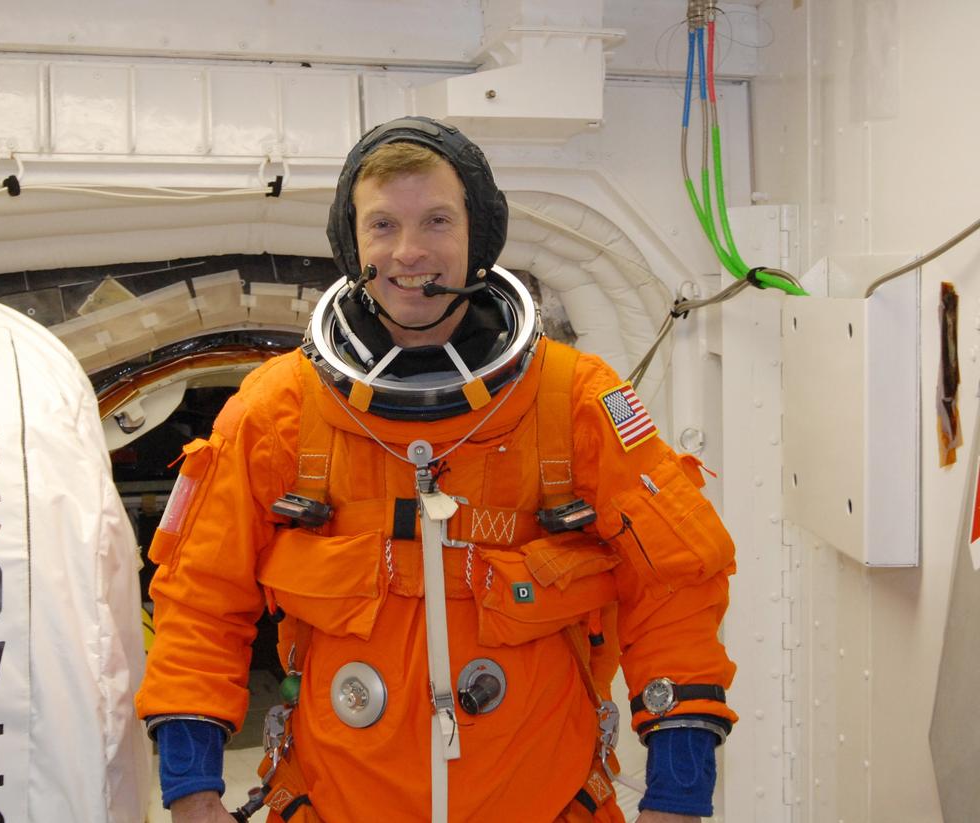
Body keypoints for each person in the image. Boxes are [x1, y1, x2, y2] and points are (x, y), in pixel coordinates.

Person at [136, 116, 738, 823]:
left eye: (438, 221)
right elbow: (201, 598)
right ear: (350, 242)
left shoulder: (573, 400)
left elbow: (674, 583)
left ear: (479, 233)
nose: (409, 251)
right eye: (383, 224)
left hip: (550, 803)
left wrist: (677, 792)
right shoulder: (280, 409)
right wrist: (191, 791)